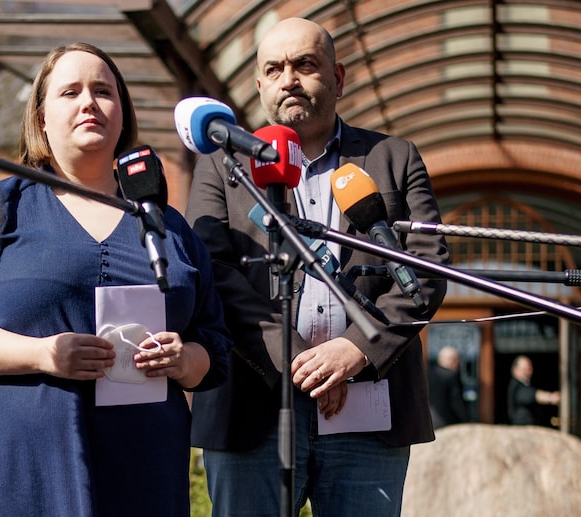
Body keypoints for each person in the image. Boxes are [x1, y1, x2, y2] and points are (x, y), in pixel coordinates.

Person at [0, 42, 232, 517]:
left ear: (122, 114)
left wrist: (180, 357)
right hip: (18, 472)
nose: (88, 103)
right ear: (40, 119)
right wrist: (42, 353)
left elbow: (214, 352)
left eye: (103, 91)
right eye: (69, 92)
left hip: (142, 472)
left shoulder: (170, 226)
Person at [185, 17, 450, 517]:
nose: (289, 78)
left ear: (338, 77)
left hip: (370, 412)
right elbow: (213, 271)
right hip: (252, 411)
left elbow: (429, 269)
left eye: (305, 64)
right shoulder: (221, 164)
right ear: (260, 84)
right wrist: (297, 361)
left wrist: (354, 350)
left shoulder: (393, 157)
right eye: (275, 68)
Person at [507, 355, 560, 426]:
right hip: (522, 428)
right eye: (524, 369)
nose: (528, 371)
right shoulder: (516, 385)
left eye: (529, 368)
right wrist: (551, 397)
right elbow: (531, 395)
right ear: (515, 370)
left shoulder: (527, 384)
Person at [428, 346, 469, 429]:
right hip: (447, 423)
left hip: (428, 422)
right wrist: (466, 420)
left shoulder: (427, 374)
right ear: (452, 360)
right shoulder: (451, 376)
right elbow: (457, 402)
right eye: (457, 360)